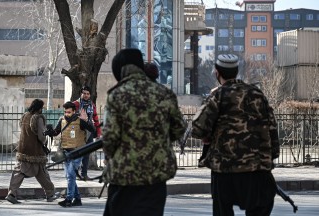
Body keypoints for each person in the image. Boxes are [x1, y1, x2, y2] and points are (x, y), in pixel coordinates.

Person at [191, 54, 280, 216]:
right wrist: (270, 158)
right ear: (236, 71)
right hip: (257, 170)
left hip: (225, 171)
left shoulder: (217, 96)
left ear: (217, 73)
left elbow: (197, 128)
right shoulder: (257, 95)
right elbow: (272, 129)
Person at [102, 48, 187, 216]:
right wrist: (158, 139)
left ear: (120, 70)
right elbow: (179, 128)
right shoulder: (164, 94)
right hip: (155, 177)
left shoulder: (117, 95)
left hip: (124, 177)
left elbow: (110, 138)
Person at [5, 99, 59, 204]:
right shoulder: (38, 118)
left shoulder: (25, 116)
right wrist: (45, 136)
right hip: (35, 150)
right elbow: (41, 137)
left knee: (19, 172)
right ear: (39, 108)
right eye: (42, 107)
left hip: (23, 148)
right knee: (41, 172)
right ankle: (50, 194)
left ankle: (11, 194)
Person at [49, 101, 95, 207]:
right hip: (66, 152)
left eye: (69, 112)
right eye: (65, 112)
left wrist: (87, 120)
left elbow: (93, 130)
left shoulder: (80, 121)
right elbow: (56, 132)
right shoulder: (62, 120)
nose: (66, 114)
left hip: (77, 151)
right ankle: (77, 199)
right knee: (69, 176)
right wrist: (50, 131)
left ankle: (69, 199)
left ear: (74, 111)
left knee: (70, 175)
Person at [73, 85, 101, 180]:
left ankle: (84, 174)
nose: (86, 95)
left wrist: (98, 133)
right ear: (81, 94)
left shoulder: (92, 105)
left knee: (87, 153)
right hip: (78, 132)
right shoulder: (75, 104)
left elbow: (96, 119)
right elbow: (69, 117)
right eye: (84, 93)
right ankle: (75, 173)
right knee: (77, 153)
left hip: (89, 132)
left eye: (87, 94)